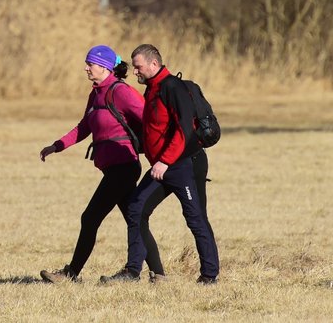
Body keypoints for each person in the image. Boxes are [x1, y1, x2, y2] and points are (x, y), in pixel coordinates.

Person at [38, 45, 165, 283]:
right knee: (134, 218)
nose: (86, 68)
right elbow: (84, 127)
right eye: (86, 63)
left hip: (124, 167)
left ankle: (70, 274)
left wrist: (165, 153)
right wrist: (57, 146)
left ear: (105, 67)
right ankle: (159, 274)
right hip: (111, 168)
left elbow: (151, 119)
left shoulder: (121, 92)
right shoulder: (96, 93)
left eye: (91, 64)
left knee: (90, 217)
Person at [100, 43, 220, 285]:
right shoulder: (152, 89)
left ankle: (209, 275)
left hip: (182, 164)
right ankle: (133, 271)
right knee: (135, 207)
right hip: (162, 166)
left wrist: (164, 161)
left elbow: (184, 129)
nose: (134, 72)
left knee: (195, 217)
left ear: (154, 64)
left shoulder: (171, 88)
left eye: (138, 67)